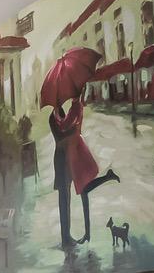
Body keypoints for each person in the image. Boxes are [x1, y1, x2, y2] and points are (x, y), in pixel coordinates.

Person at [45, 93, 120, 248]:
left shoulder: (63, 114)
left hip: (69, 160)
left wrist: (74, 130)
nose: (60, 101)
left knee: (72, 195)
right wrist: (73, 131)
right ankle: (66, 238)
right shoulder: (53, 118)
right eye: (58, 100)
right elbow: (60, 136)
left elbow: (68, 128)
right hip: (61, 161)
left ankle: (68, 236)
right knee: (63, 198)